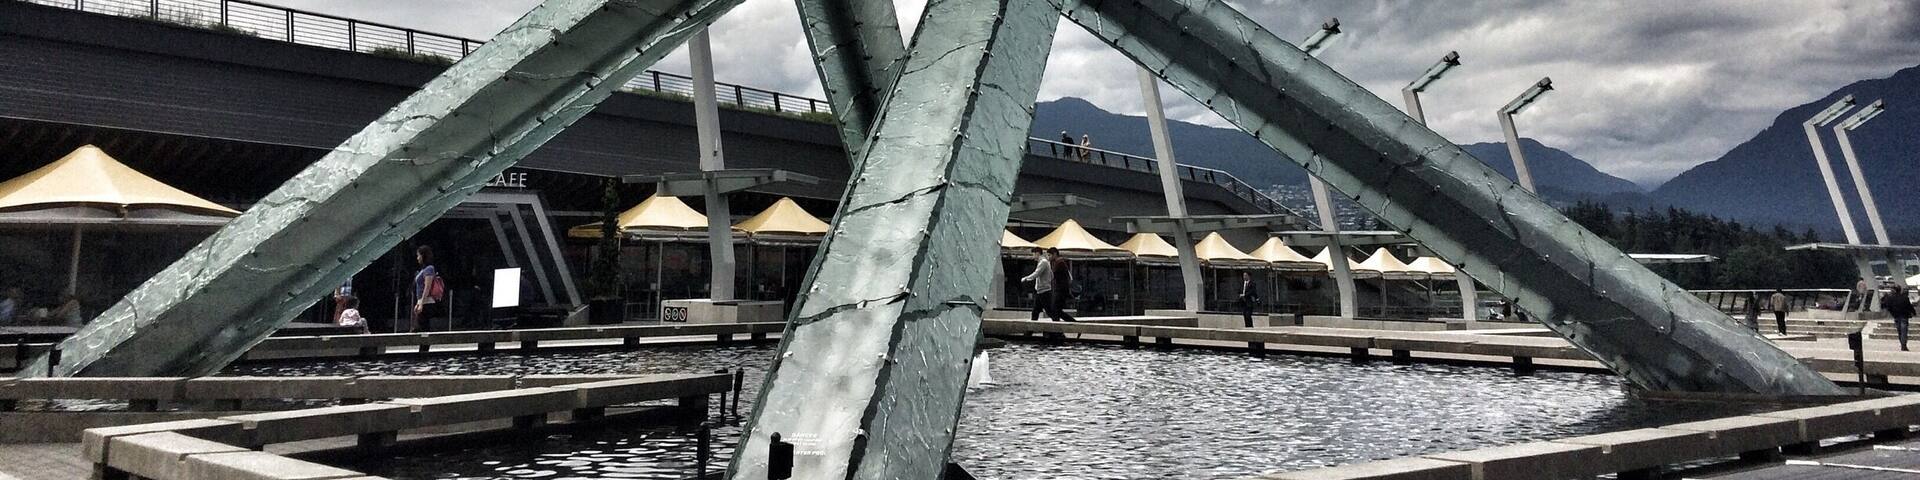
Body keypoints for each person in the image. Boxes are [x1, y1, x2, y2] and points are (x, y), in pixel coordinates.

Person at [410, 245, 443, 333]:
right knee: (420, 327)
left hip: (427, 301)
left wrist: (421, 303)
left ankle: (425, 346)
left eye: (418, 255)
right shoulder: (423, 269)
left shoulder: (429, 269)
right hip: (422, 300)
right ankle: (423, 345)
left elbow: (427, 287)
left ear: (423, 256)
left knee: (423, 328)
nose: (417, 258)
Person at [1019, 248, 1057, 321]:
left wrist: (1026, 278)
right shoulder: (1044, 262)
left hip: (1044, 291)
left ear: (1037, 253)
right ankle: (1030, 331)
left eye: (1033, 254)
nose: (1032, 256)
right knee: (1036, 311)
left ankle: (1059, 329)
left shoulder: (1043, 262)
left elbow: (1036, 273)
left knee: (1049, 311)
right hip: (1041, 291)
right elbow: (1052, 275)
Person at [1048, 248, 1077, 322]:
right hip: (1061, 290)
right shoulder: (1059, 262)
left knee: (1055, 310)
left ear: (1054, 254)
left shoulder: (1059, 263)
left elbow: (1052, 275)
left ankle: (1074, 324)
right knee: (1057, 311)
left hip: (1061, 291)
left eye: (1049, 255)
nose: (1049, 257)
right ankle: (1058, 331)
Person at [1886, 286, 1915, 351]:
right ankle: (1903, 345)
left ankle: (1902, 344)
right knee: (1904, 331)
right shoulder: (1905, 298)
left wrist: (1892, 313)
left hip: (1896, 316)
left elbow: (1889, 307)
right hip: (1904, 316)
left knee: (1899, 331)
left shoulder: (1892, 298)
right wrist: (1913, 312)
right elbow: (1909, 306)